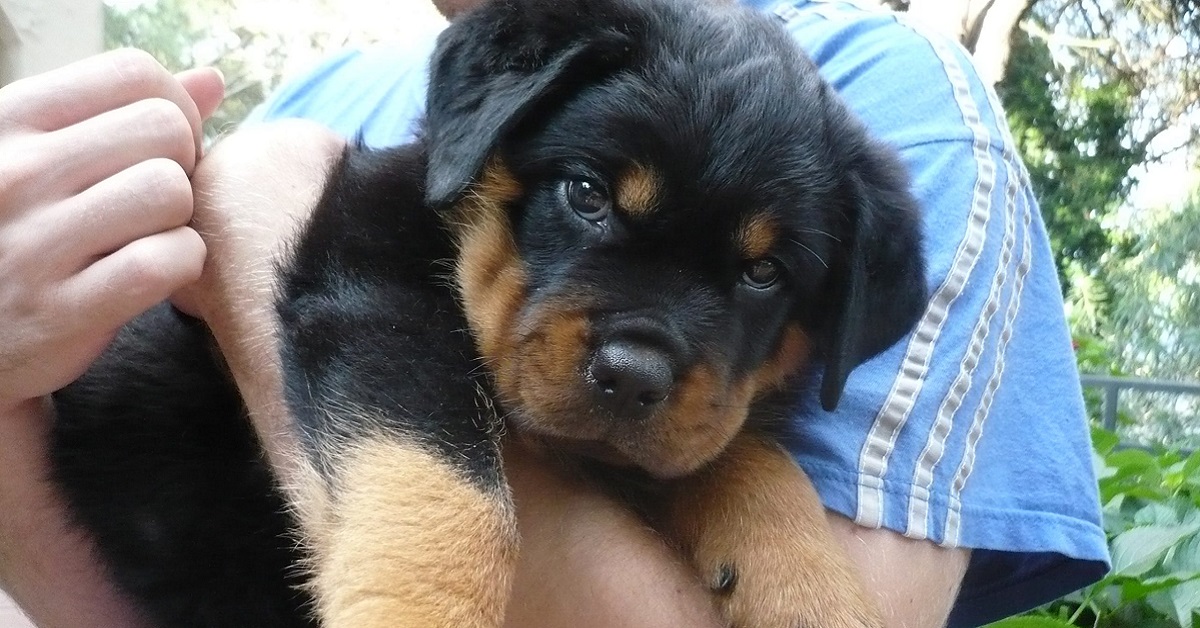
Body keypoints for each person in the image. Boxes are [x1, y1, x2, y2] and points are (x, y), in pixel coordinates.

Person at [0, 1, 1110, 627]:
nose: (635, 355)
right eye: (587, 201)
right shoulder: (351, 93)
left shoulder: (893, 90)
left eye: (758, 277)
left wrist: (265, 205)